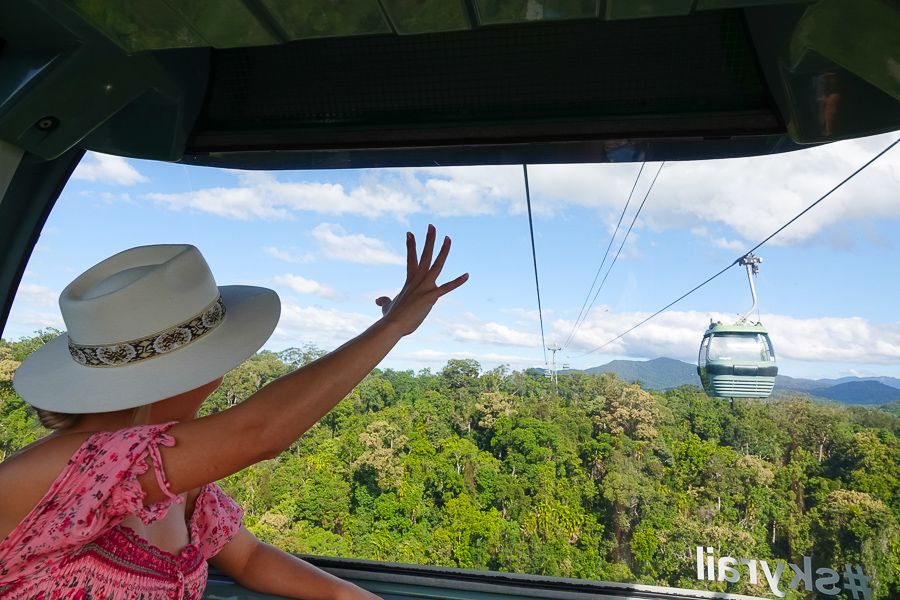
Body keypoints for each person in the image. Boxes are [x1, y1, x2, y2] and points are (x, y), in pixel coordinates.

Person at [0, 225, 467, 599]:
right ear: (204, 373)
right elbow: (260, 432)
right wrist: (392, 328)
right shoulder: (57, 473)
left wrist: (346, 595)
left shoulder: (177, 480)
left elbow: (247, 558)